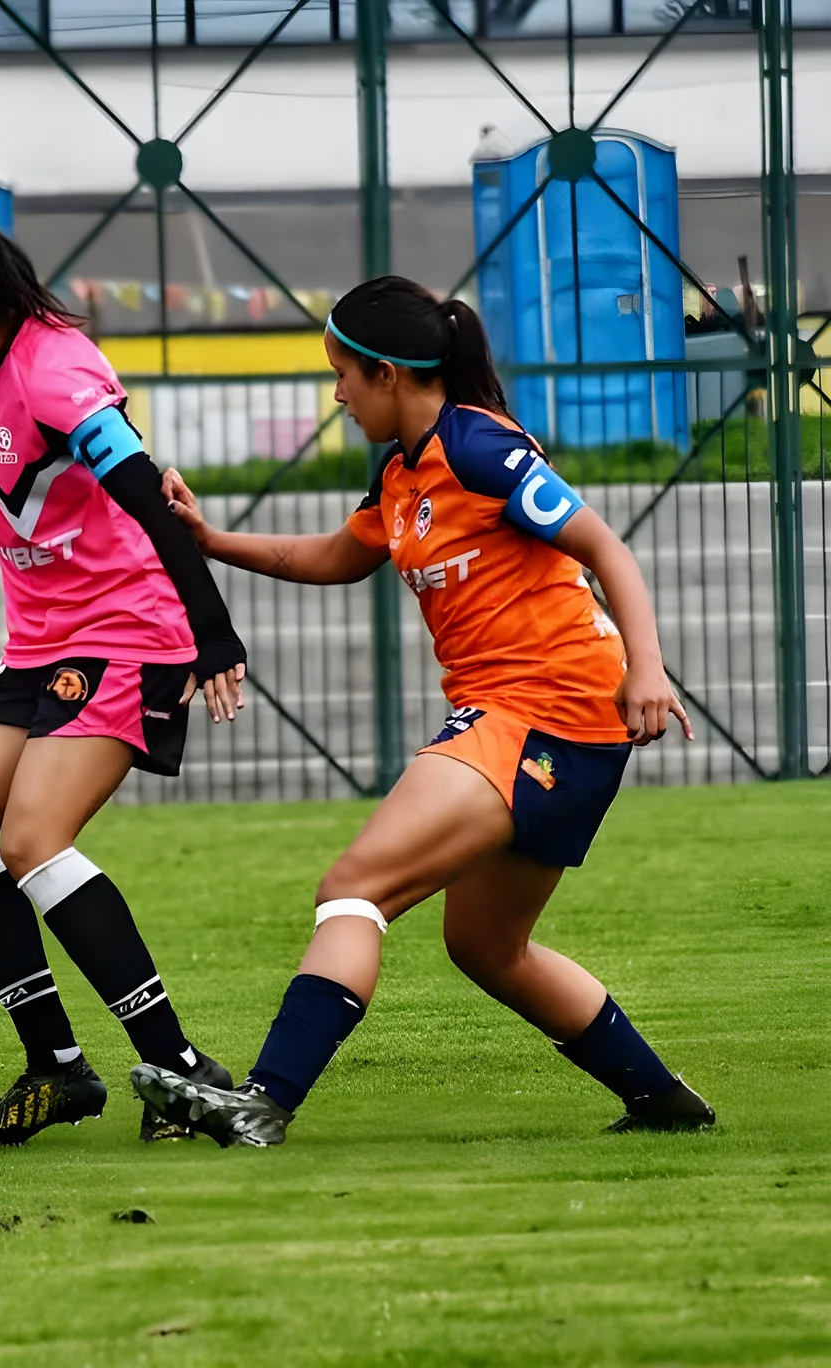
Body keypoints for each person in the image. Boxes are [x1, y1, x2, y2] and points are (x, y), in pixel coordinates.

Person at [133, 275, 715, 1146]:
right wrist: (215, 543)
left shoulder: (480, 448)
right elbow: (334, 554)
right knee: (486, 948)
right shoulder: (403, 473)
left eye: (342, 375)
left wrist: (648, 668)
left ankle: (263, 1100)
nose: (336, 393)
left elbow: (604, 548)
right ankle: (663, 1100)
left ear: (390, 374)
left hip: (545, 710)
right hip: (540, 720)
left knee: (354, 888)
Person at [0, 165, 249, 1147]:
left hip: (129, 632)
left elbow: (150, 499)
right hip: (38, 644)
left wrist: (213, 634)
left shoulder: (58, 372)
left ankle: (179, 1066)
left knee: (31, 839)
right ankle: (58, 1067)